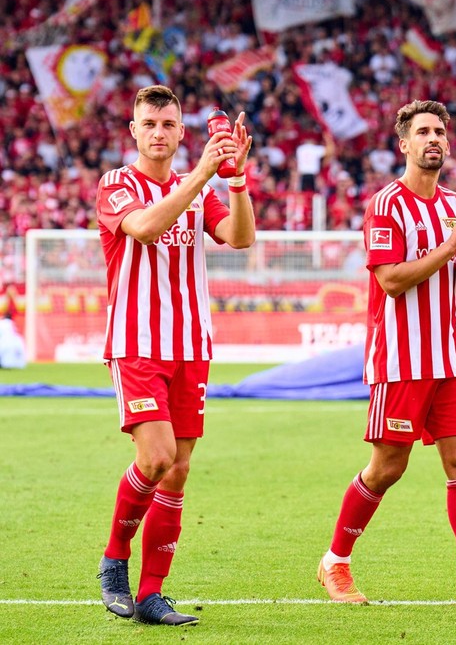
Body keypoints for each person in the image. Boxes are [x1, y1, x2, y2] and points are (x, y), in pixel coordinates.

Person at [317, 100, 456, 608]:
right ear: (403, 144)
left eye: (440, 132)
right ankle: (335, 561)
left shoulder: (455, 205)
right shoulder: (386, 204)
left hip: (449, 356)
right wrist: (451, 245)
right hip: (400, 358)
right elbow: (389, 280)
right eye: (423, 132)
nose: (434, 139)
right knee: (387, 466)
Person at [94, 85, 254, 626]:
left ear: (181, 133)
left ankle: (151, 594)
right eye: (149, 124)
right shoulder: (117, 184)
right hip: (137, 343)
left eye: (168, 124)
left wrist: (234, 178)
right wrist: (203, 174)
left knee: (179, 471)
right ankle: (115, 558)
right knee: (156, 458)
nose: (158, 132)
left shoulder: (200, 189)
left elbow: (241, 235)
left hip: (191, 347)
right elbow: (144, 226)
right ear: (134, 131)